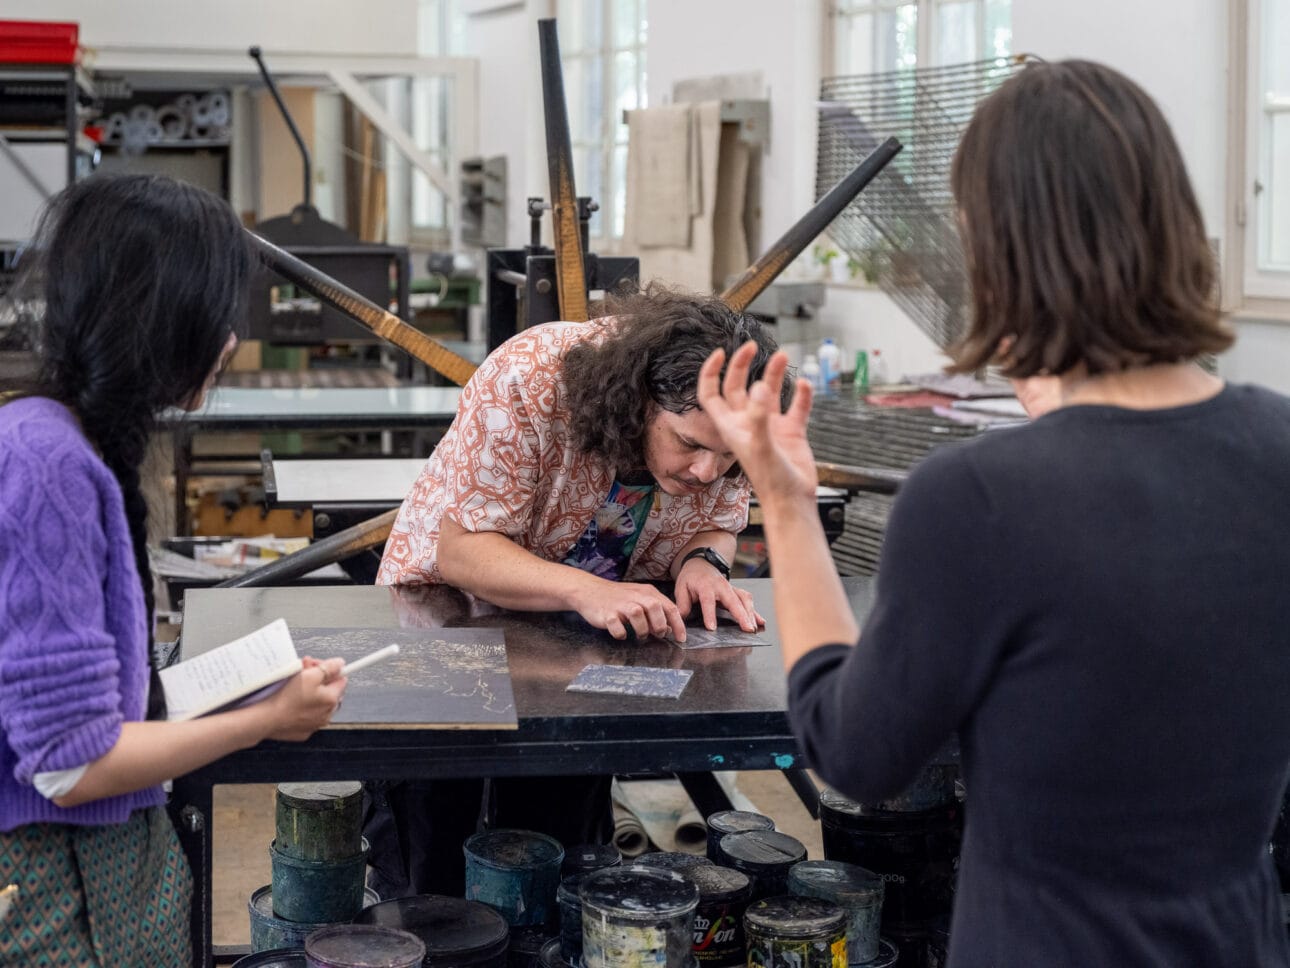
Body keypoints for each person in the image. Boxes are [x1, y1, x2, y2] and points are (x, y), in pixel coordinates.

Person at [696, 60, 1290, 967]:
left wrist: (783, 498)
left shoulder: (980, 498)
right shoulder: (1277, 445)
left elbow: (853, 753)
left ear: (998, 248)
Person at [0, 174, 347, 966]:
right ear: (165, 316)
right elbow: (70, 762)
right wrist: (263, 720)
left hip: (93, 867)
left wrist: (232, 685)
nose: (229, 343)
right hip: (57, 881)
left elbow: (96, 702)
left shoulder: (61, 438)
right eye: (220, 316)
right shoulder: (47, 465)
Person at [368, 288, 782, 897]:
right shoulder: (532, 378)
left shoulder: (720, 436)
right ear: (638, 398)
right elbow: (463, 551)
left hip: (574, 635)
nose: (704, 472)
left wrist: (702, 560)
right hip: (445, 614)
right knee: (431, 849)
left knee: (559, 846)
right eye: (690, 444)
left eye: (728, 456)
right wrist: (586, 589)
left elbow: (720, 512)